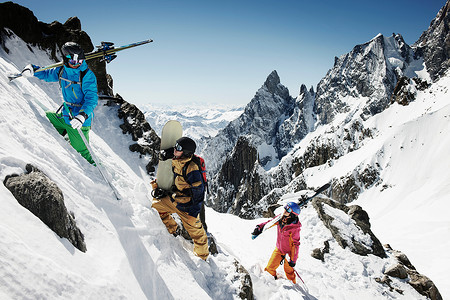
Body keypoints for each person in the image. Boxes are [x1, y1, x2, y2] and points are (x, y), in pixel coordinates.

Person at [22, 42, 98, 164]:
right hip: (65, 115)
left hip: (78, 122)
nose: (77, 65)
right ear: (66, 59)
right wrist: (33, 69)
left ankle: (96, 171)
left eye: (79, 62)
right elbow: (47, 74)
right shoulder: (62, 70)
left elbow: (92, 98)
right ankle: (67, 136)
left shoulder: (87, 75)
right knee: (46, 118)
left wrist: (82, 116)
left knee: (83, 155)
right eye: (73, 62)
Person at [151, 137, 209, 260]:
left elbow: (199, 193)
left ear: (186, 153)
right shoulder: (178, 158)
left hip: (187, 207)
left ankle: (202, 257)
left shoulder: (192, 169)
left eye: (178, 148)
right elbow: (173, 155)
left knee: (198, 235)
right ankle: (173, 230)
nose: (174, 150)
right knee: (155, 206)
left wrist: (193, 214)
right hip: (175, 199)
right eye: (175, 146)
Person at [252, 202, 301, 283]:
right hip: (279, 249)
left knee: (289, 272)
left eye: (288, 209)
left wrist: (293, 260)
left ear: (292, 214)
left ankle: (293, 285)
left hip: (289, 254)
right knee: (269, 269)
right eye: (285, 207)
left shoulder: (294, 228)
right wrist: (259, 227)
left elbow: (295, 245)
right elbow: (270, 222)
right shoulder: (281, 218)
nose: (285, 210)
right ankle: (274, 282)